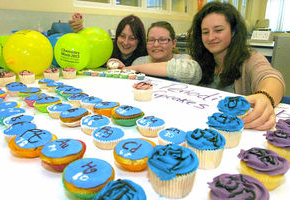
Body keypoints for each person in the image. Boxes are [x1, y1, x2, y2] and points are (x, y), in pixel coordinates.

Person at [187, 1, 285, 130]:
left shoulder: (250, 58)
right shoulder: (199, 59)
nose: (210, 37)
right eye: (205, 32)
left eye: (218, 30)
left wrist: (264, 96)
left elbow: (270, 76)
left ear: (233, 31)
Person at [121, 21, 202, 85]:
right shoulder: (139, 62)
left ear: (174, 43)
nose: (156, 44)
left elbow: (191, 73)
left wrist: (136, 68)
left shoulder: (184, 60)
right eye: (151, 40)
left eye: (162, 40)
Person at [68, 13, 147, 67]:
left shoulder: (145, 58)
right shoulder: (108, 49)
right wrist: (81, 31)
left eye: (132, 38)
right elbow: (93, 45)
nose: (125, 42)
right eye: (122, 36)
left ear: (139, 40)